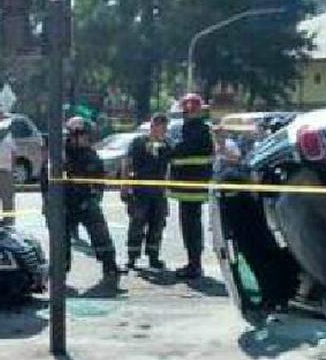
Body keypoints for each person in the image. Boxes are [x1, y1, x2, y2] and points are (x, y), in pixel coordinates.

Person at [54, 116, 119, 286]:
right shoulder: (59, 156)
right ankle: (60, 271)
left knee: (100, 231)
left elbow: (99, 179)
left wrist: (95, 197)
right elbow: (48, 181)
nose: (86, 139)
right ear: (73, 136)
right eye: (83, 135)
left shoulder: (91, 154)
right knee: (61, 239)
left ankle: (109, 265)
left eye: (87, 136)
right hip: (64, 203)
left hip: (85, 200)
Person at [168, 93, 214, 280]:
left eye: (185, 112)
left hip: (190, 186)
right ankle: (194, 263)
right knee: (192, 225)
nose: (184, 115)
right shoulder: (200, 129)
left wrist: (169, 151)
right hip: (193, 185)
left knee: (190, 227)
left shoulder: (195, 130)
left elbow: (184, 151)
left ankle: (194, 265)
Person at [121, 112, 170, 270]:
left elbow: (170, 167)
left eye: (164, 127)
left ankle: (153, 257)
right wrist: (125, 187)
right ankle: (132, 258)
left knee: (157, 225)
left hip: (158, 192)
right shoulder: (139, 142)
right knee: (137, 224)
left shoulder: (167, 145)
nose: (161, 130)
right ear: (152, 126)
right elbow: (127, 164)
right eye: (158, 126)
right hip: (140, 192)